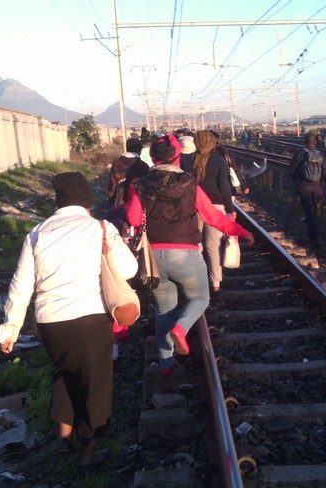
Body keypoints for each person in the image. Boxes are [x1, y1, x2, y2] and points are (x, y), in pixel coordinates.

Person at [0, 172, 137, 474]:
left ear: (57, 201)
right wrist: (111, 248)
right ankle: (88, 453)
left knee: (65, 371)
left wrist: (10, 329)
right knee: (96, 384)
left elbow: (21, 285)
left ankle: (63, 437)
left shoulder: (36, 233)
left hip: (51, 324)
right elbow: (129, 269)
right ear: (87, 200)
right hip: (90, 318)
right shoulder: (100, 228)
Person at [124, 134, 254, 376]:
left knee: (163, 310)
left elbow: (131, 219)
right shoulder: (190, 184)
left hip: (152, 258)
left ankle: (165, 364)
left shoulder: (139, 185)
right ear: (178, 157)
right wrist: (242, 232)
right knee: (199, 298)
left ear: (152, 157)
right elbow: (214, 218)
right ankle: (182, 329)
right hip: (186, 255)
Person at [194, 130, 236, 294]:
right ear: (212, 143)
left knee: (196, 245)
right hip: (215, 207)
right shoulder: (219, 161)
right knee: (213, 246)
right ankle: (216, 283)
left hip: (194, 206)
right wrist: (230, 209)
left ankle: (197, 280)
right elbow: (225, 188)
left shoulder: (188, 160)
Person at [290, 133, 326, 248]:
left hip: (304, 187)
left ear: (305, 142)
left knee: (309, 213)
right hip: (317, 187)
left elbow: (292, 171)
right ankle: (315, 235)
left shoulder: (299, 153)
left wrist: (297, 181)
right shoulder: (320, 155)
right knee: (314, 211)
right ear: (315, 142)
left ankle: (316, 237)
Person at [108, 138, 150, 207]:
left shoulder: (117, 163)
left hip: (119, 205)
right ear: (139, 150)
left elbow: (112, 185)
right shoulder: (144, 166)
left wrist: (111, 202)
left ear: (127, 148)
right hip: (137, 205)